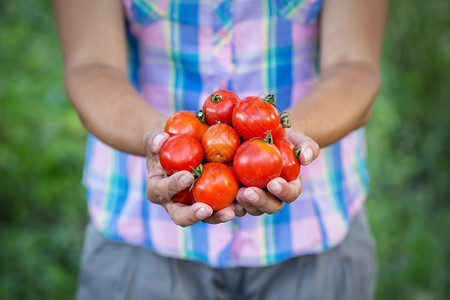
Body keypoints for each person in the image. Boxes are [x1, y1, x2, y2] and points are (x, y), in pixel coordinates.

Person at [53, 0, 388, 299]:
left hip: (315, 228)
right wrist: (155, 140)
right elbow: (91, 65)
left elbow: (355, 65)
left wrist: (281, 137)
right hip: (140, 233)